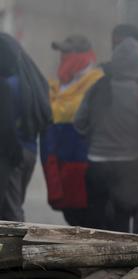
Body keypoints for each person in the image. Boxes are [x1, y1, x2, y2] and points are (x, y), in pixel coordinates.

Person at [74, 37, 138, 233]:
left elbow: (79, 122)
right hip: (129, 167)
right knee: (121, 222)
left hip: (96, 165)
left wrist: (95, 139)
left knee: (97, 223)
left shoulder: (96, 88)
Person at [42, 35, 103, 226]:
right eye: (62, 53)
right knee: (70, 214)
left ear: (82, 55)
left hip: (82, 162)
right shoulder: (58, 85)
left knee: (87, 218)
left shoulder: (96, 82)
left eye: (67, 53)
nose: (63, 57)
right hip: (59, 161)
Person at [0, 33, 52, 222]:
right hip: (29, 150)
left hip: (11, 154)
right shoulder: (32, 81)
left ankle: (14, 251)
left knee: (10, 213)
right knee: (15, 206)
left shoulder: (8, 84)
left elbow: (6, 126)